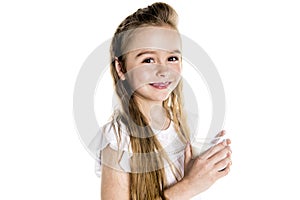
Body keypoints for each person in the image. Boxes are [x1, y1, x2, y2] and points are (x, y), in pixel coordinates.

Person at [91, 2, 232, 199]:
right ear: (121, 68)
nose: (163, 71)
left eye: (172, 58)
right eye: (148, 60)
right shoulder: (119, 138)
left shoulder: (180, 124)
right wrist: (188, 186)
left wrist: (200, 171)